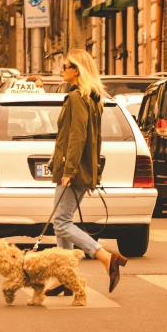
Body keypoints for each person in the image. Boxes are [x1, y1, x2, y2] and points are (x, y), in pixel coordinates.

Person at [46, 48, 127, 297]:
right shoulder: (93, 98)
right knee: (64, 223)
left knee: (61, 222)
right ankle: (64, 278)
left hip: (73, 170)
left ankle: (104, 256)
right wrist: (95, 174)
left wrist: (69, 170)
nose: (62, 70)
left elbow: (78, 136)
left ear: (76, 70)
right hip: (83, 170)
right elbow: (97, 140)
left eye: (65, 66)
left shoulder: (76, 98)